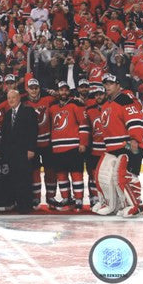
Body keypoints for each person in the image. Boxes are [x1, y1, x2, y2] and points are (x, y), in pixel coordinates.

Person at [94, 74, 143, 217]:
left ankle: (137, 206)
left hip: (128, 146)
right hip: (113, 148)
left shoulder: (125, 100)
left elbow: (135, 121)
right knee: (102, 175)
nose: (107, 86)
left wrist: (134, 142)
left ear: (118, 85)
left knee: (125, 176)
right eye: (105, 84)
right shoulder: (106, 105)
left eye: (111, 83)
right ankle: (114, 205)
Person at [49, 81, 90, 211]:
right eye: (61, 90)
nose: (64, 92)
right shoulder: (52, 107)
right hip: (57, 147)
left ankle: (78, 200)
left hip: (73, 146)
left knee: (76, 174)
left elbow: (84, 124)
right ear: (58, 91)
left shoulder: (76, 104)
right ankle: (66, 198)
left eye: (66, 90)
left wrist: (83, 143)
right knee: (61, 175)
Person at [1, 89, 38, 213]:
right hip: (12, 154)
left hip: (24, 152)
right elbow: (5, 135)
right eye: (9, 98)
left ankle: (26, 205)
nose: (11, 100)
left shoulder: (28, 111)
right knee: (14, 178)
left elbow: (33, 131)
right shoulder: (7, 114)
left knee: (25, 179)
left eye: (13, 97)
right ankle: (16, 203)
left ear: (19, 98)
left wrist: (31, 149)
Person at [23, 78, 58, 209]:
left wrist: (52, 92)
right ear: (27, 89)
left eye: (36, 88)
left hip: (48, 143)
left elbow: (62, 96)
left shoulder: (48, 100)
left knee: (50, 171)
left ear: (39, 88)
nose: (34, 90)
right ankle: (36, 198)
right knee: (34, 172)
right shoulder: (24, 103)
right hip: (33, 145)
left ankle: (51, 197)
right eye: (31, 88)